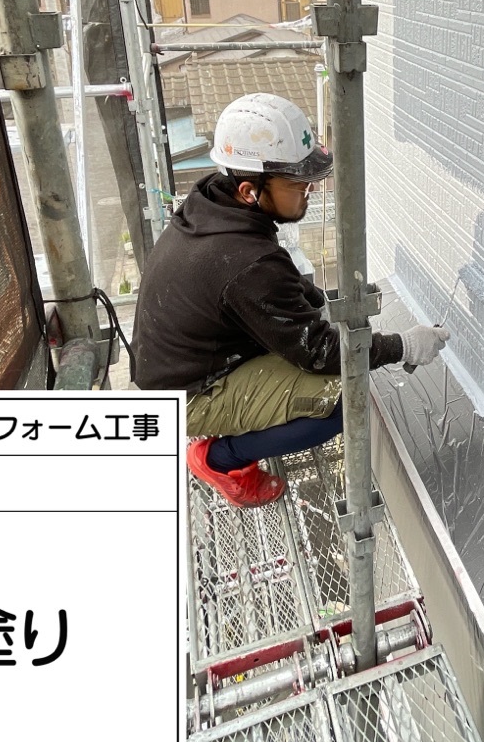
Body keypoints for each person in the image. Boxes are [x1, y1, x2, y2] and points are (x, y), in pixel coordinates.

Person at [132, 93, 450, 508]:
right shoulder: (246, 262)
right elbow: (319, 354)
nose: (310, 190)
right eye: (298, 184)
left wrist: (317, 300)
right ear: (249, 190)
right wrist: (403, 346)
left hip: (180, 365)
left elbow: (274, 285)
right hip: (188, 395)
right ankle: (218, 459)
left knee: (325, 352)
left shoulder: (214, 201)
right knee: (344, 398)